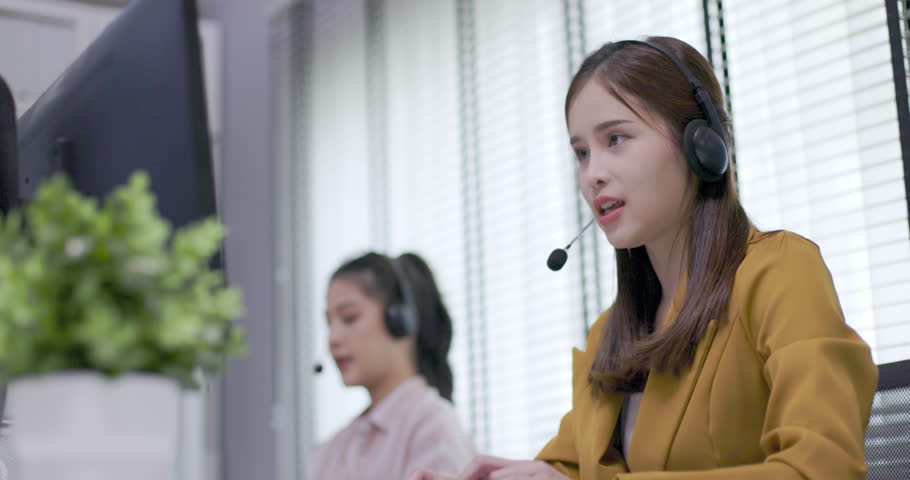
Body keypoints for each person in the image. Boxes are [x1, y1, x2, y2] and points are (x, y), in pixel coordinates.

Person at [410, 36, 877, 480]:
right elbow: (572, 466)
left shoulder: (779, 272)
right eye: (581, 153)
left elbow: (823, 468)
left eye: (615, 139)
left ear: (700, 144)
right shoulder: (612, 333)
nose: (593, 174)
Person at [312, 252, 475, 480]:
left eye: (349, 318)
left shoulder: (433, 427)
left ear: (398, 320)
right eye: (329, 323)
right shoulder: (332, 450)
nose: (333, 337)